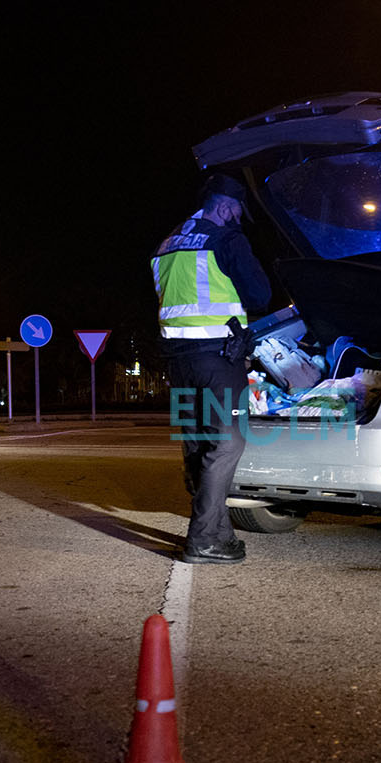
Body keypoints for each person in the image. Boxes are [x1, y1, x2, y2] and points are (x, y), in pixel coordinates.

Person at [153, 173, 271, 564]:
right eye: (237, 211)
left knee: (200, 445)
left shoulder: (166, 246)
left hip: (179, 362)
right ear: (224, 207)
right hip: (219, 360)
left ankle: (221, 532)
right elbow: (259, 294)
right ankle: (203, 538)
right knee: (227, 445)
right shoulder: (226, 239)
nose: (238, 219)